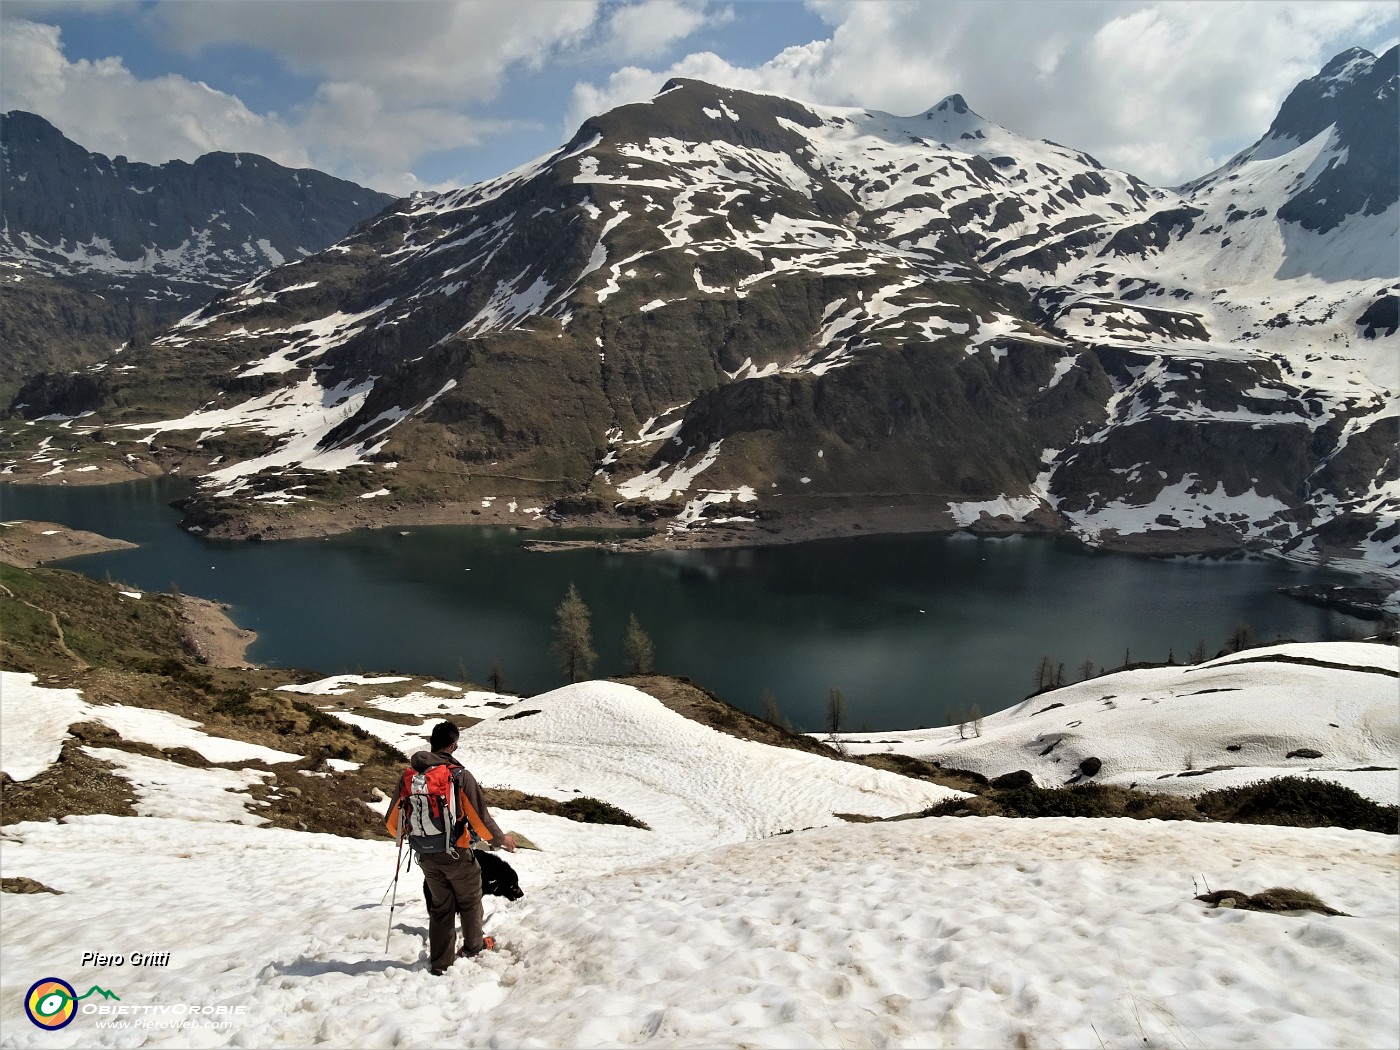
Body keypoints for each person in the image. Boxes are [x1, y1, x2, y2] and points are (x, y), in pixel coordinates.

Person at [385, 720, 517, 975]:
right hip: (456, 853)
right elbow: (481, 818)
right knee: (470, 900)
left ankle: (440, 964)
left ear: (431, 742)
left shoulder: (409, 776)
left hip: (425, 855)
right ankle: (473, 947)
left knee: (441, 907)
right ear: (454, 744)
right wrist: (502, 841)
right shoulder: (457, 775)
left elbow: (393, 824)